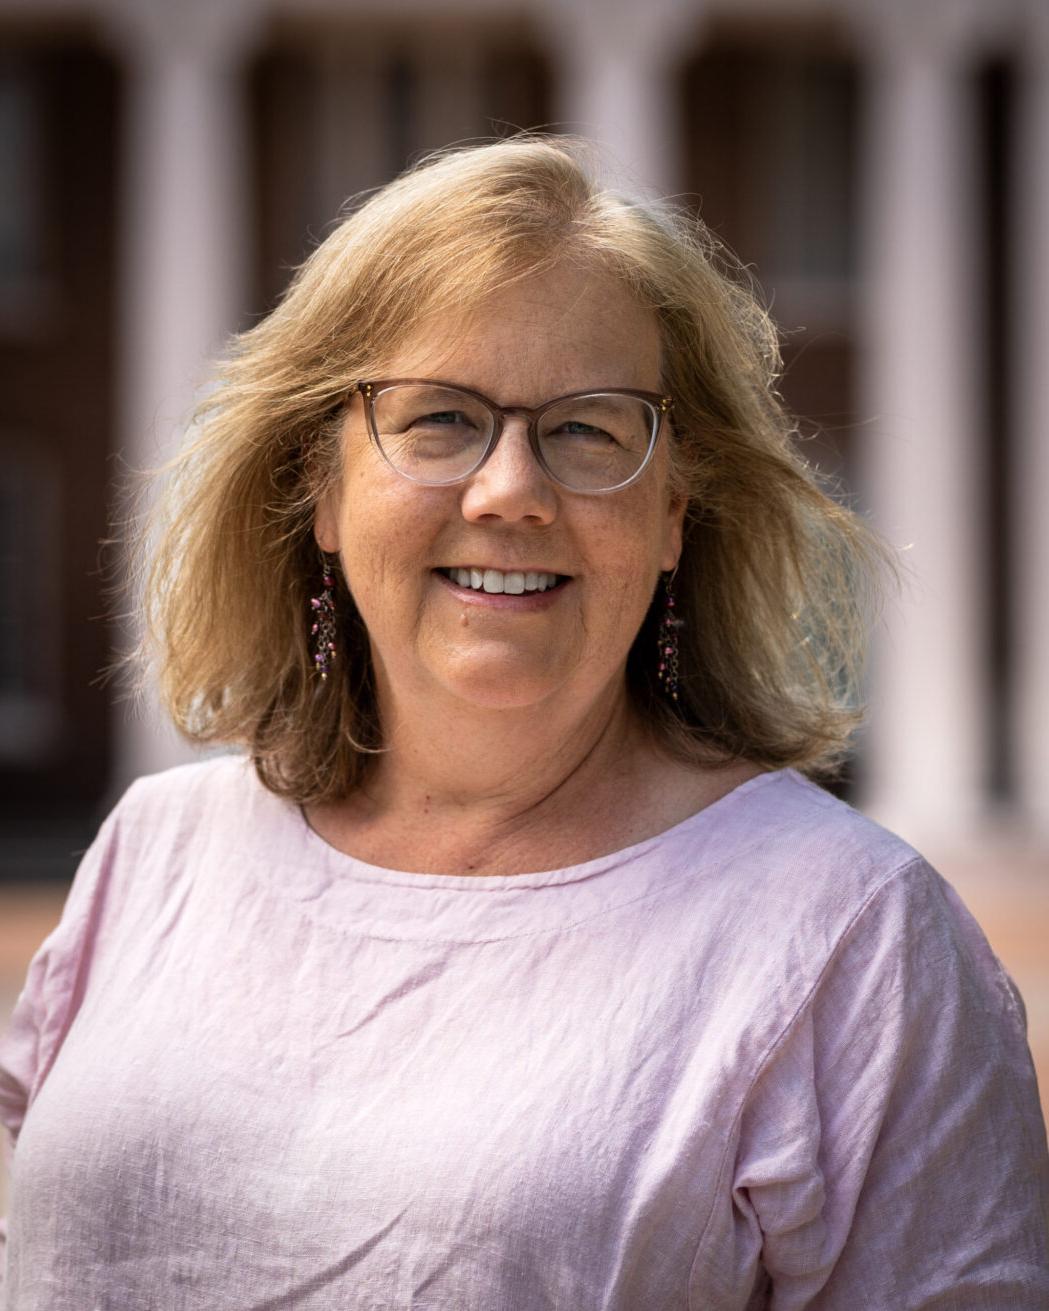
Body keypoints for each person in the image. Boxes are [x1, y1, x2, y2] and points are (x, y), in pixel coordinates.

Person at [1, 137, 1047, 1310]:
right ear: (324, 488)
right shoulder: (156, 851)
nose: (508, 490)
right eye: (439, 419)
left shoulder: (851, 936)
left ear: (672, 514)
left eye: (588, 428)